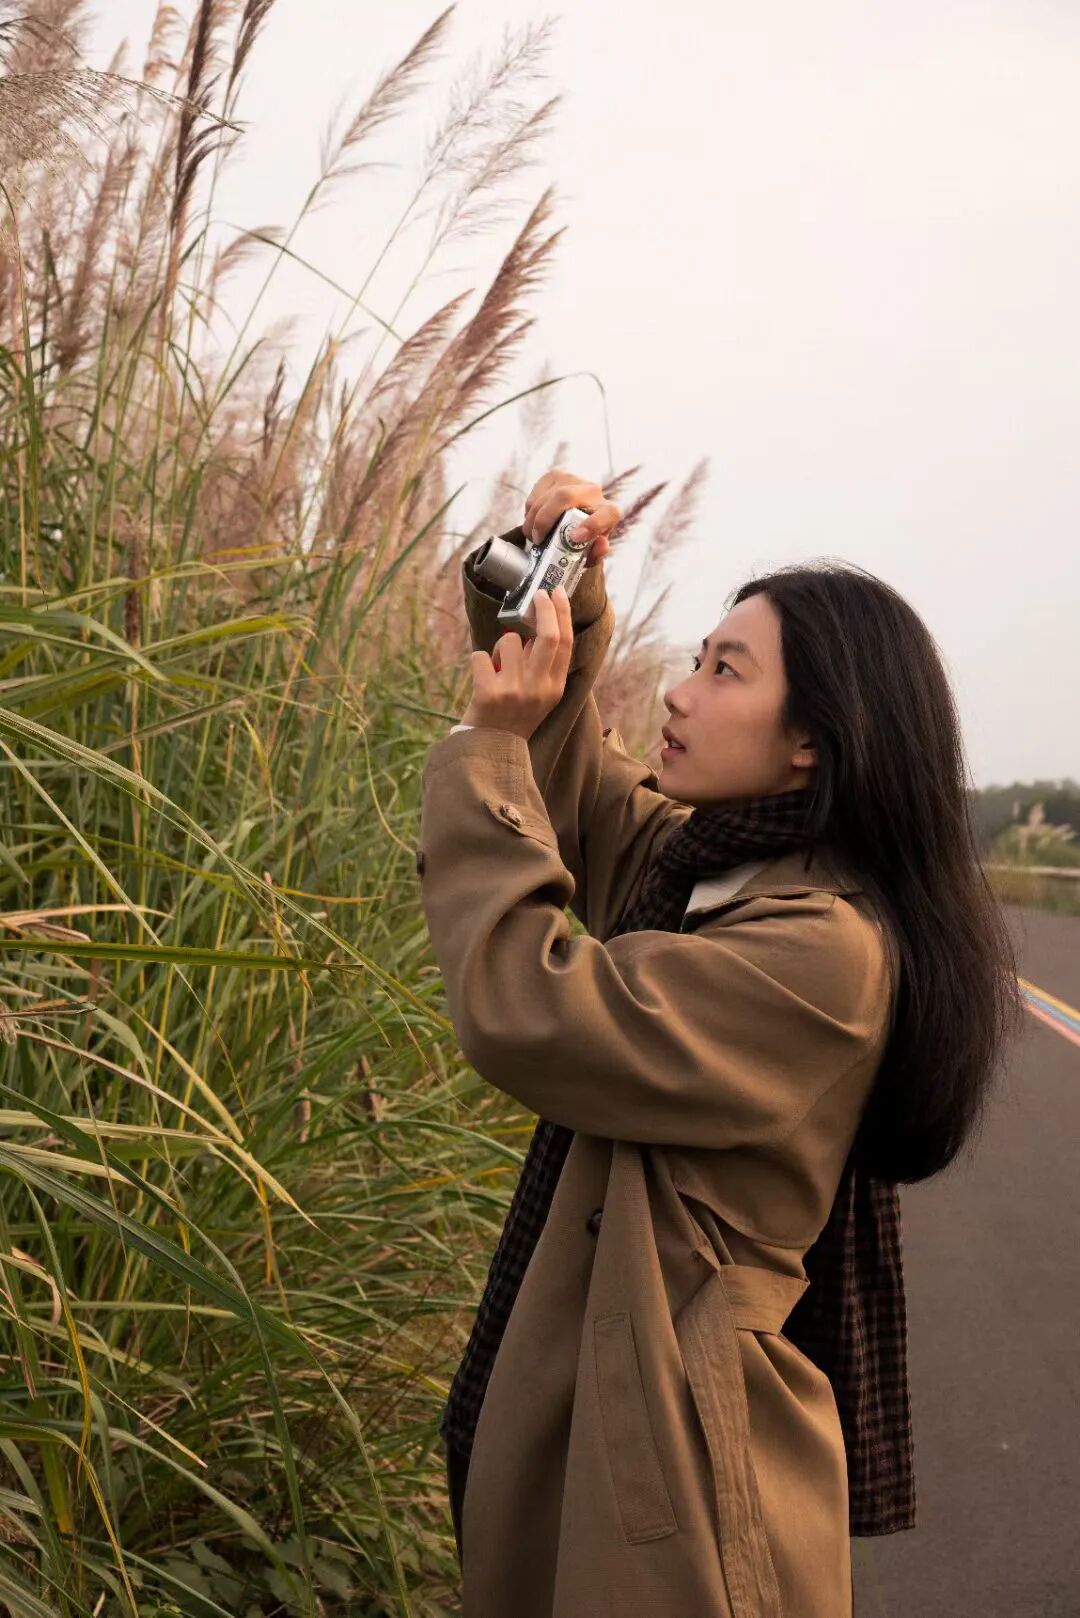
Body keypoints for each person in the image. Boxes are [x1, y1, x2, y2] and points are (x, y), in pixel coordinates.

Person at [418, 470, 1024, 1616]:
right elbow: (577, 785)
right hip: (623, 1411)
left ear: (813, 742)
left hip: (680, 1467)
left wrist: (485, 745)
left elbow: (531, 1006)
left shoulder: (822, 950)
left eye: (724, 671)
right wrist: (560, 590)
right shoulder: (714, 868)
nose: (681, 693)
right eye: (697, 659)